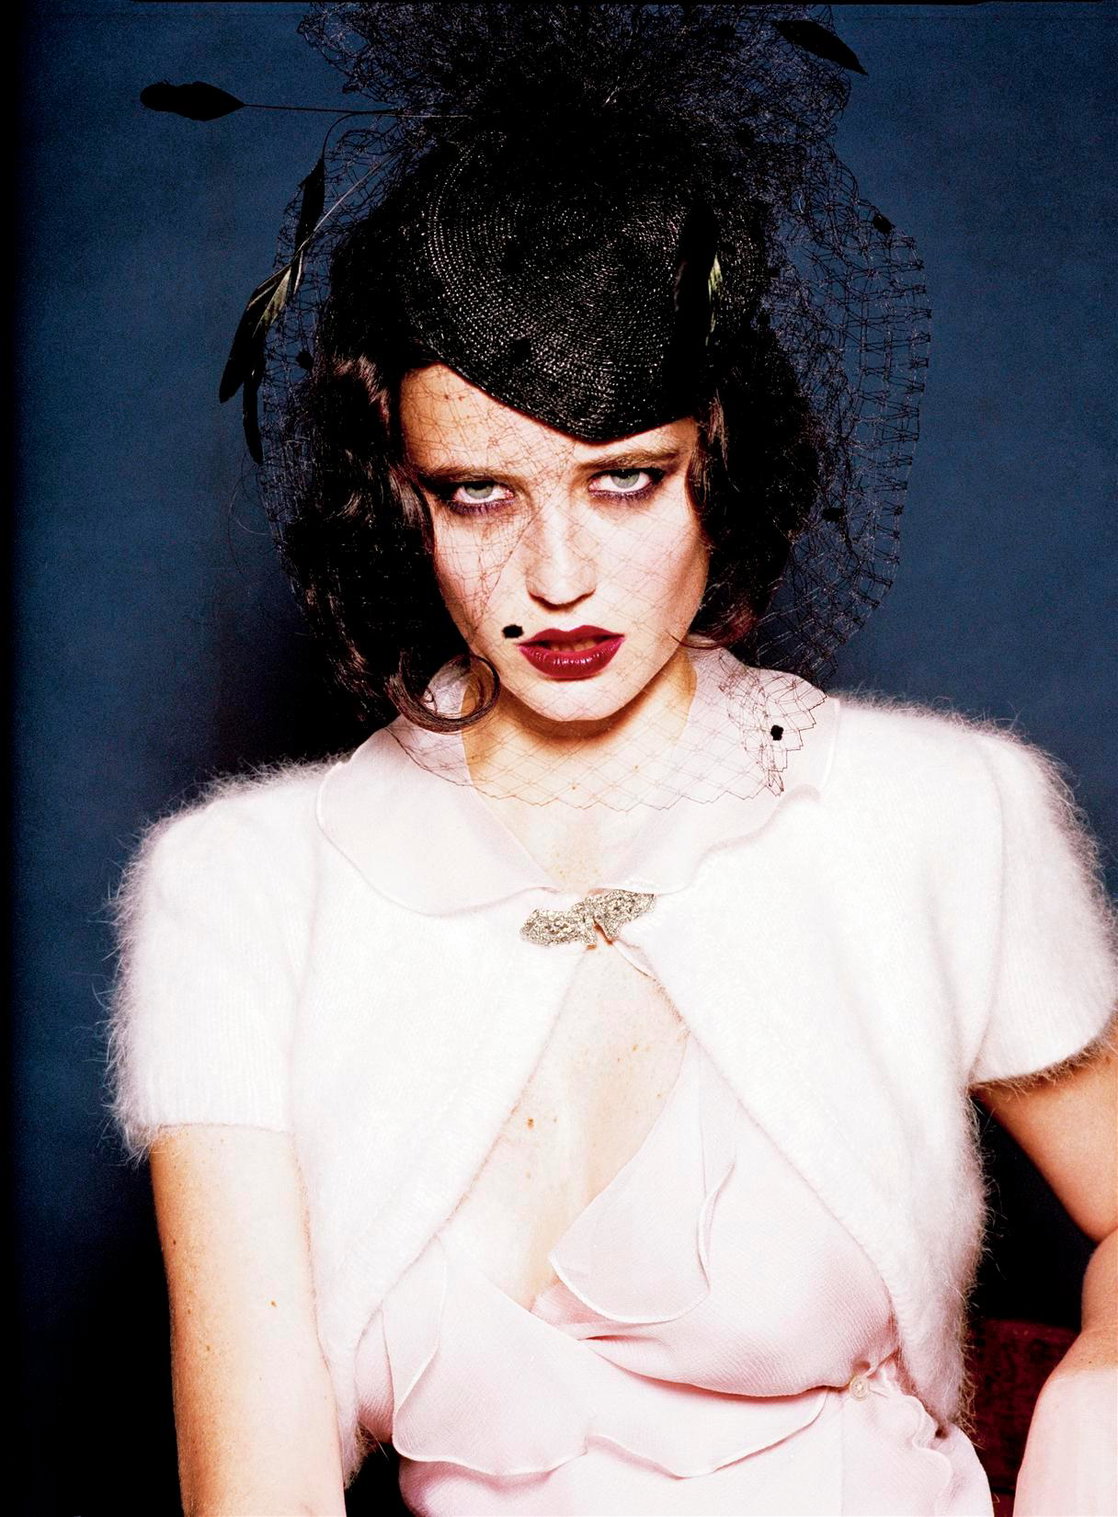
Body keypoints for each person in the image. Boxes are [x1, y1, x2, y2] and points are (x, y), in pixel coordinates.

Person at [110, 5, 1117, 1514]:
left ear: (723, 461)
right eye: (478, 492)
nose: (558, 577)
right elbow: (256, 1476)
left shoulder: (938, 817)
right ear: (399, 493)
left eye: (626, 478)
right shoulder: (239, 890)